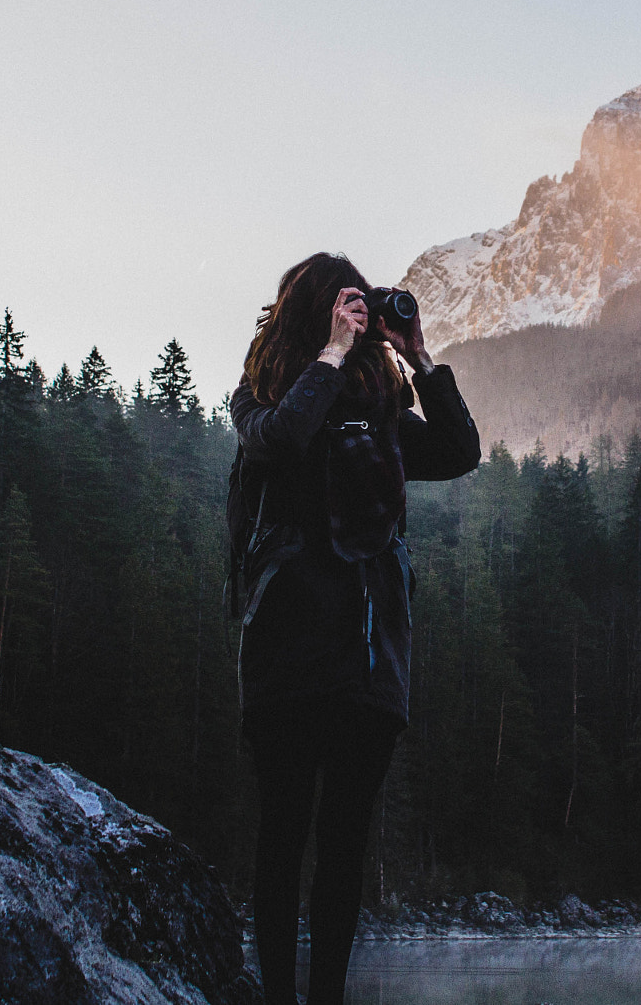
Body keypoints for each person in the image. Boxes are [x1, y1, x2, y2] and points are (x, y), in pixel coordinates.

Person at [228, 252, 480, 1005]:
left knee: (342, 849)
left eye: (359, 310)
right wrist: (333, 355)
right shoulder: (260, 399)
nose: (356, 319)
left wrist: (421, 357)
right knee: (282, 838)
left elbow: (461, 451)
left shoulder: (381, 417)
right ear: (313, 315)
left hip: (368, 660)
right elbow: (286, 435)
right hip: (286, 658)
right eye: (341, 308)